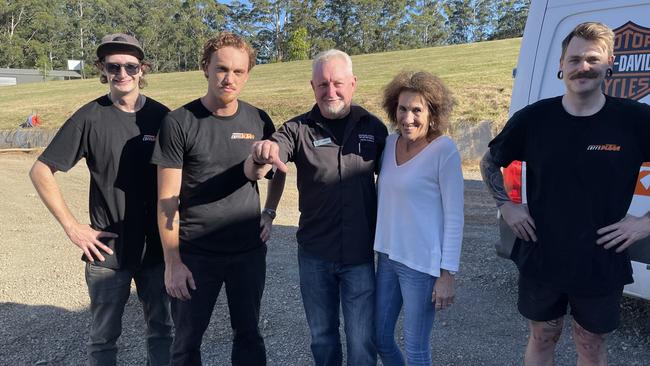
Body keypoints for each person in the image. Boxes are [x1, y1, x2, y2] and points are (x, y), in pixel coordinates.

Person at [480, 22, 650, 365]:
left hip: (601, 258)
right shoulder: (534, 118)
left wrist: (646, 223)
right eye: (574, 59)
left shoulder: (635, 120)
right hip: (541, 253)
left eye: (592, 59)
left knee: (590, 343)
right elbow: (489, 162)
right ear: (561, 64)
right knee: (543, 336)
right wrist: (507, 206)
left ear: (609, 63)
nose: (582, 67)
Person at [29, 33, 172, 365]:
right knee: (103, 338)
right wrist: (73, 227)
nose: (122, 73)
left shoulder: (163, 117)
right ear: (103, 69)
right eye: (114, 66)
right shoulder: (89, 117)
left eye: (130, 66)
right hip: (107, 251)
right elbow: (40, 171)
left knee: (163, 330)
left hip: (156, 249)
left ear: (142, 69)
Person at [244, 49, 388, 366]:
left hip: (359, 256)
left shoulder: (373, 128)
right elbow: (273, 150)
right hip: (314, 255)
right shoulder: (299, 128)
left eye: (337, 83)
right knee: (322, 337)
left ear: (353, 84)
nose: (330, 91)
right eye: (322, 84)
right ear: (313, 87)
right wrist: (262, 152)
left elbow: (397, 179)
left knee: (363, 340)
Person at [151, 32, 285, 366]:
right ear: (205, 68)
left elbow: (279, 168)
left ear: (248, 74)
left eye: (239, 71)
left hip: (247, 252)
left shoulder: (258, 119)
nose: (229, 78)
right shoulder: (179, 122)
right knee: (186, 342)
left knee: (249, 334)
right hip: (196, 254)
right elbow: (167, 198)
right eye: (222, 69)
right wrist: (172, 263)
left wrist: (269, 211)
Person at [373, 71, 463, 366]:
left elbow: (454, 216)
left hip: (422, 267)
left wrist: (446, 274)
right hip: (387, 258)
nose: (408, 118)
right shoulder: (388, 145)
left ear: (432, 113)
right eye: (402, 109)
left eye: (417, 110)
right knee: (380, 337)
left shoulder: (444, 150)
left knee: (416, 349)